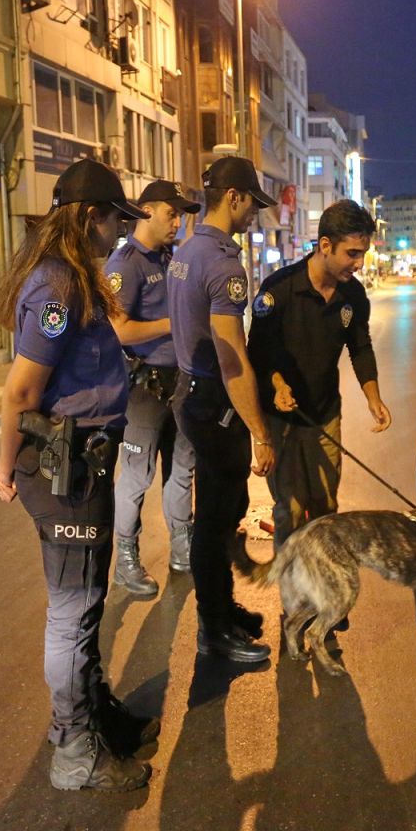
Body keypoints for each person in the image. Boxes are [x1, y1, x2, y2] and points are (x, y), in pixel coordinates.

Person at [0, 157, 156, 792]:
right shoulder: (58, 288)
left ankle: (97, 716)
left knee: (86, 604)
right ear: (90, 217)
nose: (119, 232)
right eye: (115, 219)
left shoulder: (73, 278)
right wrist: (5, 464)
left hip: (85, 460)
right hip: (67, 467)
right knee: (74, 609)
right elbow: (22, 392)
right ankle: (73, 751)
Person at [166, 156, 276, 663]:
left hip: (191, 393)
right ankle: (213, 629)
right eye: (252, 202)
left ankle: (222, 608)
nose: (255, 212)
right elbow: (232, 359)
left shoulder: (187, 250)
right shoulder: (224, 264)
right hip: (214, 403)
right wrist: (260, 431)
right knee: (213, 522)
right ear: (234, 197)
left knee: (220, 513)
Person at [248, 199, 391, 556]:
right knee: (290, 512)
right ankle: (293, 601)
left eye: (363, 254)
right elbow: (258, 356)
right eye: (352, 254)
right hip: (281, 419)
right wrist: (278, 387)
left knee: (325, 508)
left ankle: (326, 592)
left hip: (325, 415)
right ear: (325, 246)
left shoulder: (353, 295)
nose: (359, 264)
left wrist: (374, 397)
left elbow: (360, 346)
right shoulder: (278, 290)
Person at [103, 180, 201, 596]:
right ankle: (125, 559)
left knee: (182, 471)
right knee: (136, 477)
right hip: (143, 388)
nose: (177, 222)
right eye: (170, 213)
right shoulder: (125, 264)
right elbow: (118, 330)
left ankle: (182, 547)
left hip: (179, 382)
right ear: (145, 211)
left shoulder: (169, 259)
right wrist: (175, 323)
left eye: (180, 215)